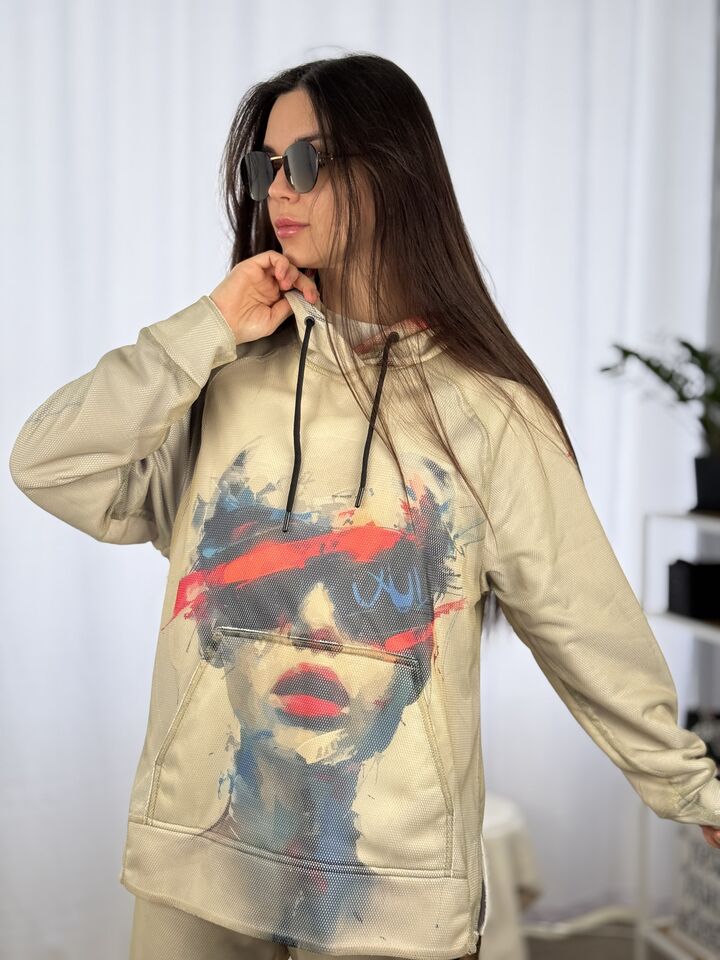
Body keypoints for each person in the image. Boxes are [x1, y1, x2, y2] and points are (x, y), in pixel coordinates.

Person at [8, 51, 720, 960]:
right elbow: (49, 462)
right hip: (199, 869)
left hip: (395, 890)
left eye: (307, 161)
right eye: (266, 166)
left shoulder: (488, 413)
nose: (279, 189)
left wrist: (691, 788)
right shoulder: (222, 380)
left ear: (391, 173)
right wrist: (208, 327)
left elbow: (584, 623)